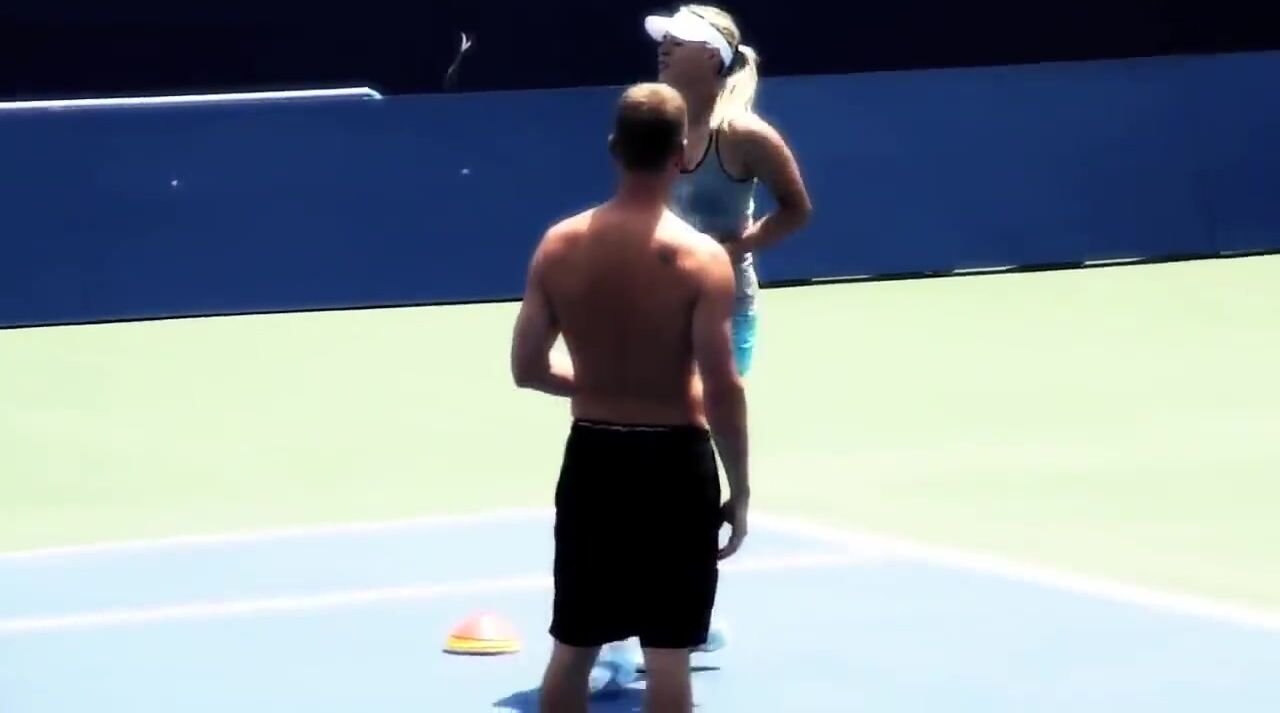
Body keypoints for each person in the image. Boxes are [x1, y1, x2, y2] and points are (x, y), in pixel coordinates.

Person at [510, 82, 750, 713]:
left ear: (615, 147)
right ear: (681, 155)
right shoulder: (701, 259)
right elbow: (723, 386)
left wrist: (598, 385)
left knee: (573, 648)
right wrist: (741, 489)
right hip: (675, 465)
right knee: (669, 655)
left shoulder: (559, 244)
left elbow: (527, 368)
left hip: (593, 459)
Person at [644, 4, 812, 376]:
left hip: (724, 309)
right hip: (658, 305)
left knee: (713, 410)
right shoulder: (657, 126)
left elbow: (796, 210)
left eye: (677, 41)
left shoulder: (745, 135)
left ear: (711, 55)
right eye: (664, 41)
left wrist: (727, 252)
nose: (664, 48)